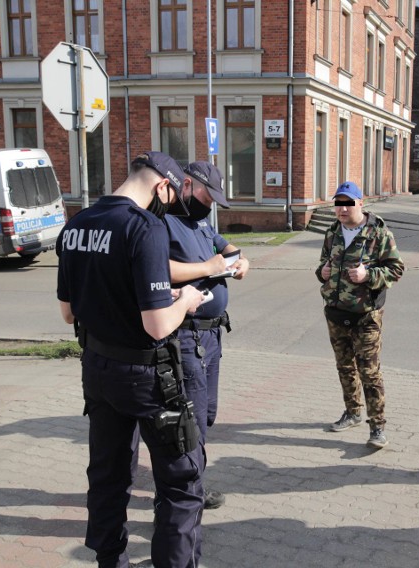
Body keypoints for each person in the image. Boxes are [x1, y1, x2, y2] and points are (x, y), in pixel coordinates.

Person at [56, 151, 208, 568]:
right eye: (172, 197)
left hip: (98, 370)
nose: (169, 206)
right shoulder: (145, 227)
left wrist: (159, 299)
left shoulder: (76, 224)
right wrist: (187, 299)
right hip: (148, 375)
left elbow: (69, 312)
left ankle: (111, 562)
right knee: (181, 483)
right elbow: (158, 325)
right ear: (162, 186)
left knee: (108, 476)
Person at [164, 161, 250, 510]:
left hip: (211, 338)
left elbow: (226, 247)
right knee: (190, 421)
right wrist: (208, 268)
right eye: (206, 195)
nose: (210, 203)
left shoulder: (199, 220)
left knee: (206, 414)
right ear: (186, 184)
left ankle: (190, 485)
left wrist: (240, 261)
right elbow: (155, 266)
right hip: (185, 337)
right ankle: (181, 497)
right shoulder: (162, 219)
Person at [316, 181, 405, 449]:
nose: (342, 209)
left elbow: (396, 269)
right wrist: (322, 272)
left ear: (360, 203)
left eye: (348, 203)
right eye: (338, 204)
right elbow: (322, 264)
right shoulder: (331, 232)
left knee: (369, 372)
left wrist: (369, 275)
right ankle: (353, 412)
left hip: (366, 316)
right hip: (335, 313)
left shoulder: (379, 234)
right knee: (344, 367)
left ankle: (377, 427)